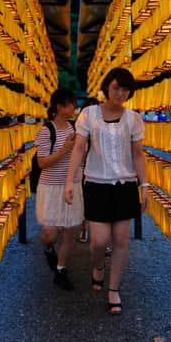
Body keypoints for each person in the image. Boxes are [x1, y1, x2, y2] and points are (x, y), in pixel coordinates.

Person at [64, 67, 149, 315]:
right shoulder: (89, 114)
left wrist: (144, 185)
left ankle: (113, 289)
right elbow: (79, 148)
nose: (120, 93)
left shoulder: (133, 118)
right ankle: (99, 263)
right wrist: (70, 181)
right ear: (106, 88)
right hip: (96, 184)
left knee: (121, 240)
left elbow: (137, 154)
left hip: (125, 185)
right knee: (99, 241)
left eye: (125, 89)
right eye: (115, 88)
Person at [35, 88, 85, 290]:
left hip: (73, 185)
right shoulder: (46, 130)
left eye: (73, 104)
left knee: (70, 232)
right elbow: (42, 163)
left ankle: (61, 270)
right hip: (51, 187)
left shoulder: (77, 129)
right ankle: (47, 248)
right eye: (68, 104)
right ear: (58, 106)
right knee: (51, 234)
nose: (73, 108)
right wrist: (64, 149)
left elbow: (83, 155)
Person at [75, 97, 100, 245]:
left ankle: (103, 239)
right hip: (83, 170)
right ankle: (84, 229)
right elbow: (78, 152)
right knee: (84, 202)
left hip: (100, 172)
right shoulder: (80, 130)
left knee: (100, 204)